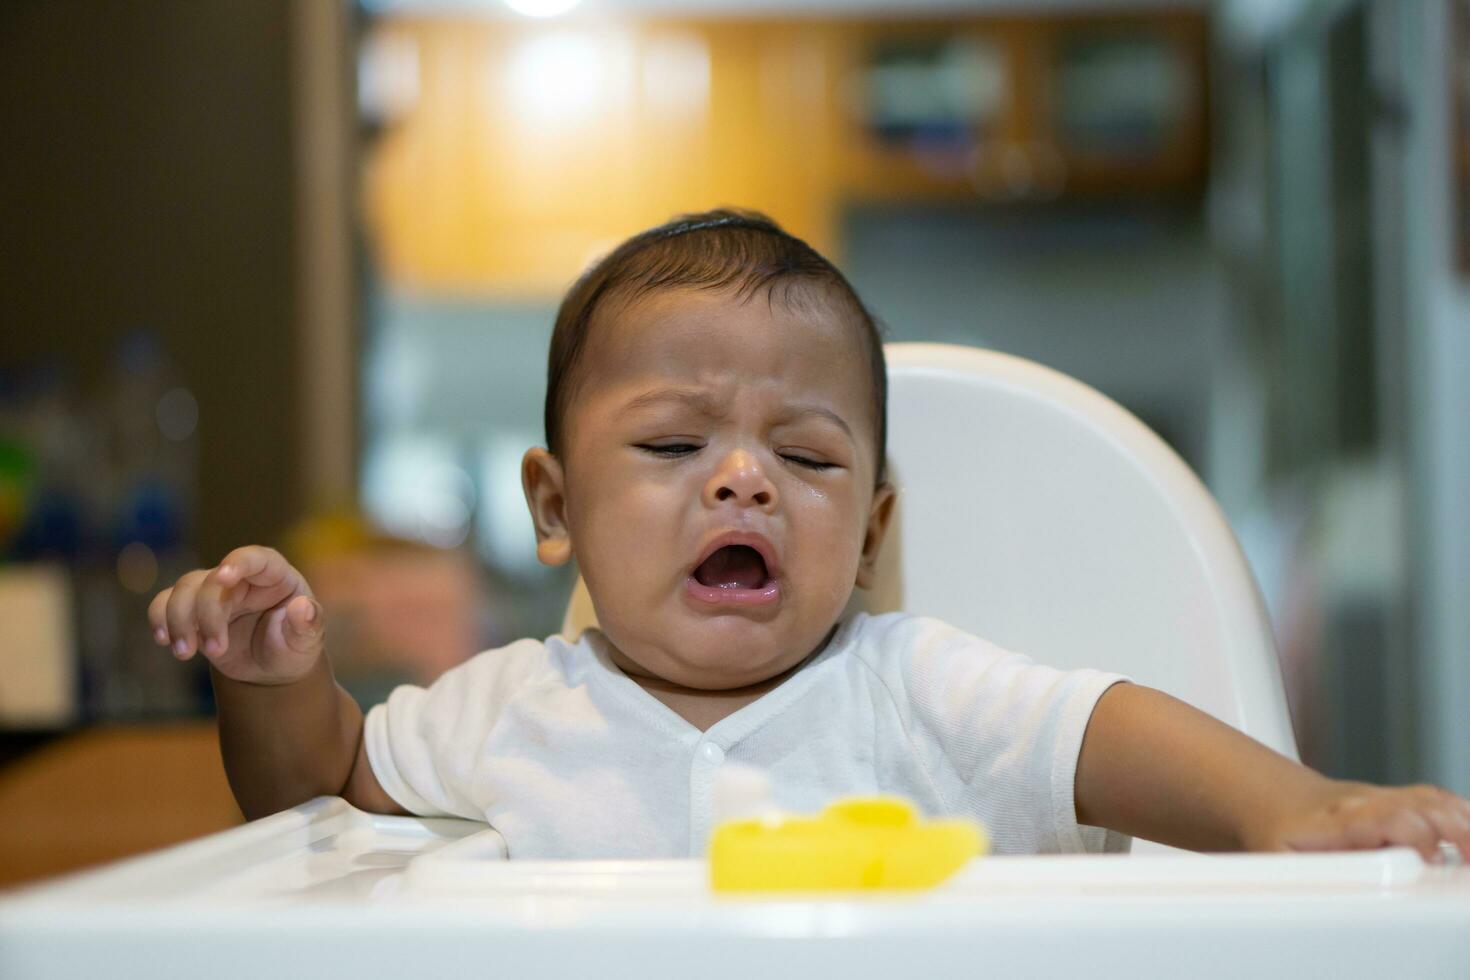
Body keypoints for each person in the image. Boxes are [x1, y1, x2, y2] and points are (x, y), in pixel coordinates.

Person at [150, 209, 1470, 861]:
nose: (742, 483)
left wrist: (1297, 811)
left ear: (872, 524)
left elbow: (1104, 729)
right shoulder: (508, 711)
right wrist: (274, 679)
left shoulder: (908, 689)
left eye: (805, 455)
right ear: (553, 508)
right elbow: (309, 800)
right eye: (674, 446)